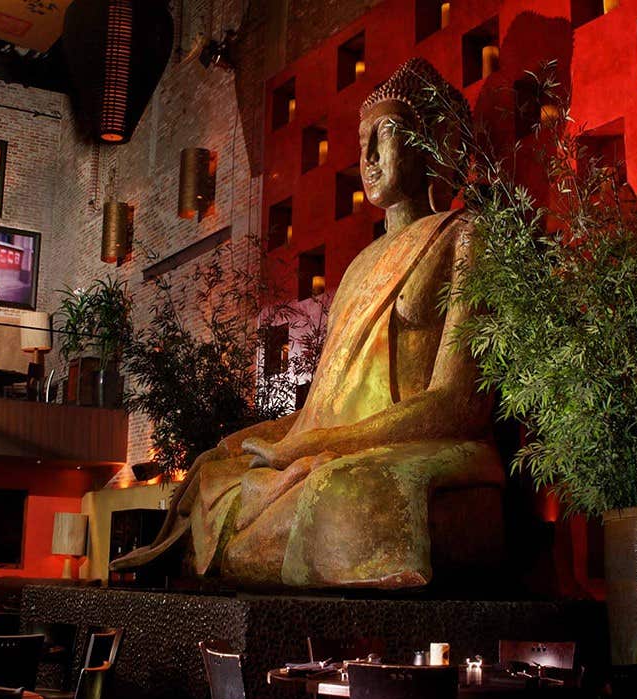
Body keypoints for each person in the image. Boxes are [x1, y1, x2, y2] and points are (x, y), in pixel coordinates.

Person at [110, 59, 505, 589]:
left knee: (342, 493)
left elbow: (460, 403)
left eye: (385, 135)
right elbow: (321, 406)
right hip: (337, 443)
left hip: (416, 443)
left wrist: (320, 445)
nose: (365, 158)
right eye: (361, 139)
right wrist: (258, 439)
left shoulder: (467, 236)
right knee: (216, 473)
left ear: (435, 143)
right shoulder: (361, 264)